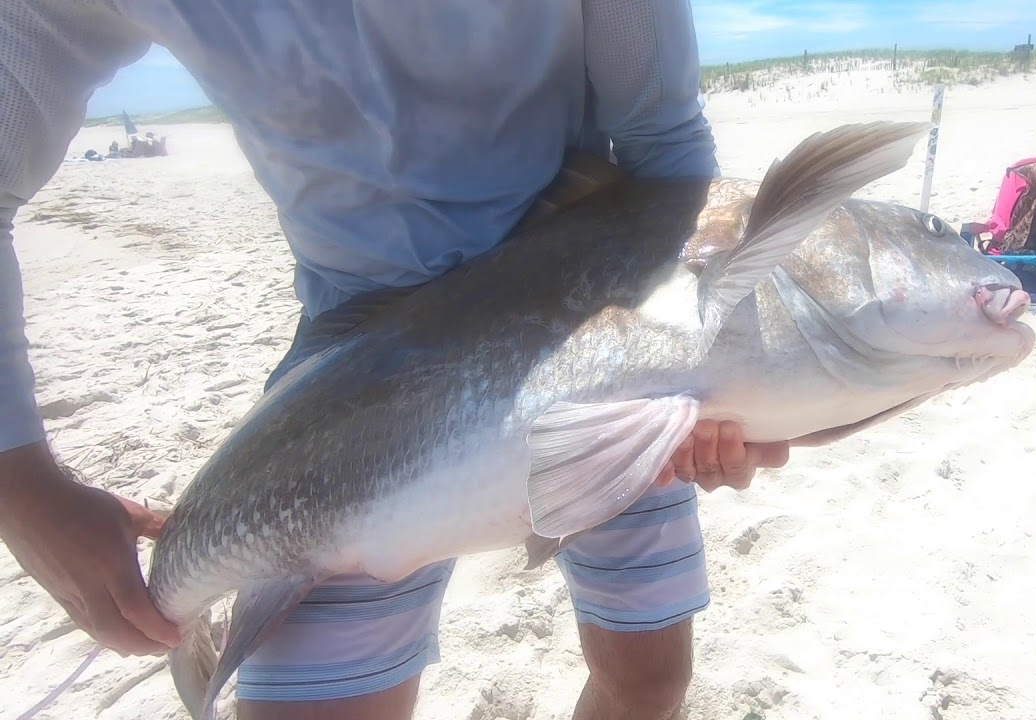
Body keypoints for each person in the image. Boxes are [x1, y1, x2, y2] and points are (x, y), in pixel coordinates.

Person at [0, 3, 793, 720]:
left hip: (592, 315)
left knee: (648, 678)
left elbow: (664, 148)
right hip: (353, 349)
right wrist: (21, 486)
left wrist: (760, 385)